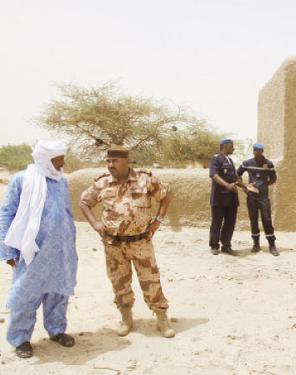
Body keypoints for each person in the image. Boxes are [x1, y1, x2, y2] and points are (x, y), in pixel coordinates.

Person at [79, 145, 175, 338]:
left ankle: (162, 318)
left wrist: (157, 221)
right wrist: (95, 223)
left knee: (151, 280)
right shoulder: (102, 183)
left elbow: (165, 196)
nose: (110, 165)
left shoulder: (144, 179)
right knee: (119, 283)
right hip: (113, 245)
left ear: (126, 161)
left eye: (114, 161)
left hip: (140, 242)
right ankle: (126, 318)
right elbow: (84, 202)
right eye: (108, 161)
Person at [0, 141, 77, 358]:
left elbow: (65, 213)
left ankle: (56, 330)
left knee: (59, 292)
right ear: (45, 159)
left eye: (62, 157)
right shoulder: (22, 180)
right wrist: (7, 251)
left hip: (60, 250)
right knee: (26, 295)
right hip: (31, 250)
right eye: (58, 159)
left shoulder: (62, 181)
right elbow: (7, 213)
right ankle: (20, 339)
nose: (62, 163)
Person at [237, 143, 279, 256]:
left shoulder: (268, 164)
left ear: (262, 151)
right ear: (253, 151)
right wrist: (245, 186)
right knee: (253, 220)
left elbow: (273, 178)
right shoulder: (247, 163)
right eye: (255, 150)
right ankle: (256, 244)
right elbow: (237, 174)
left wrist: (264, 185)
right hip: (251, 197)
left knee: (267, 220)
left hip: (264, 197)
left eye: (259, 151)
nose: (257, 152)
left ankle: (272, 245)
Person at [209, 139, 247, 255]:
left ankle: (226, 245)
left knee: (230, 222)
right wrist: (227, 186)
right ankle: (214, 246)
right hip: (219, 198)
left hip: (231, 199)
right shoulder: (216, 159)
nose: (233, 148)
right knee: (217, 222)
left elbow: (235, 178)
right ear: (224, 147)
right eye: (231, 146)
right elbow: (214, 175)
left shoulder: (230, 160)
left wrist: (246, 186)